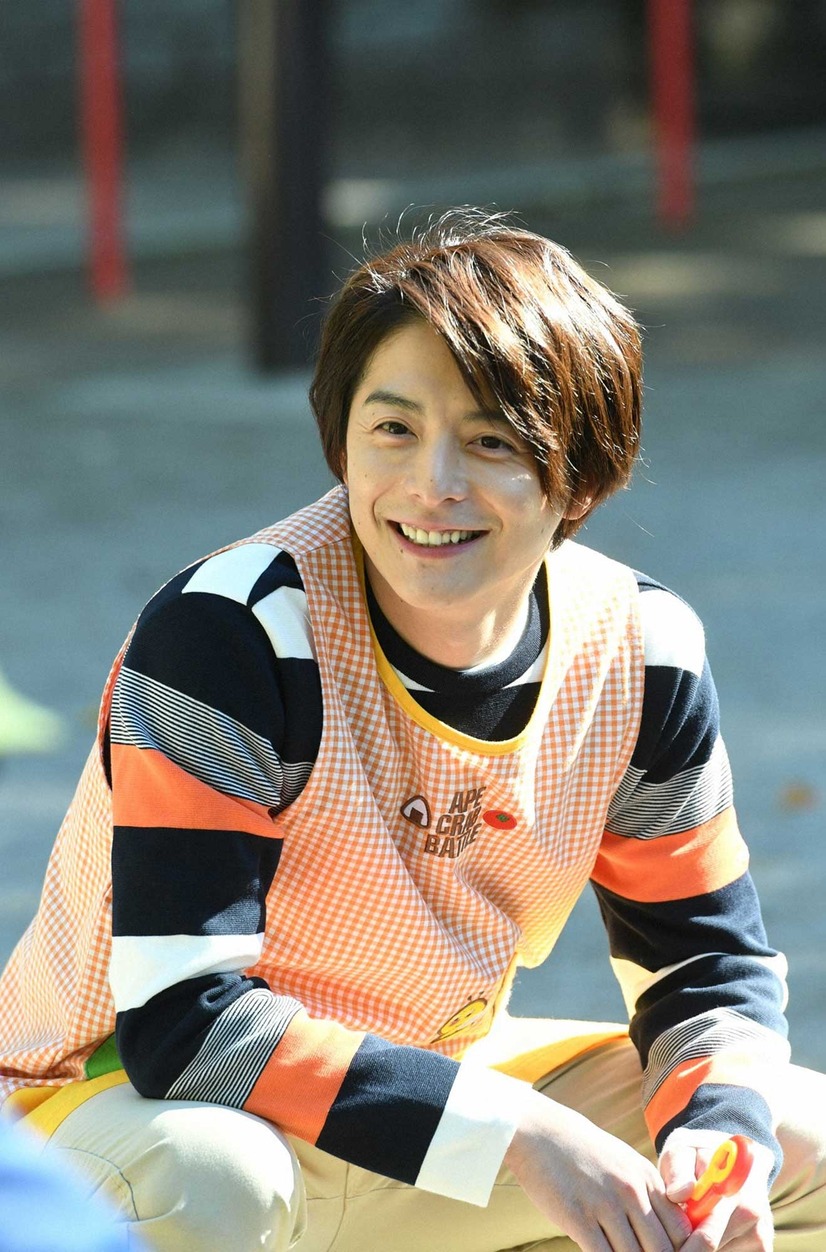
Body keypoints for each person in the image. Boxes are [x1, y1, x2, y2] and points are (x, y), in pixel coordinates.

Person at [0, 209, 823, 1252]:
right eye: (392, 429)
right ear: (339, 438)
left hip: (426, 1113)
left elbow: (703, 962)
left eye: (490, 441)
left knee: (800, 1139)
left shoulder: (640, 647)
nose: (432, 485)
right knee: (212, 1180)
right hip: (130, 1111)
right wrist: (514, 1132)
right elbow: (183, 1023)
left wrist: (721, 1136)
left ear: (581, 472)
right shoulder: (233, 631)